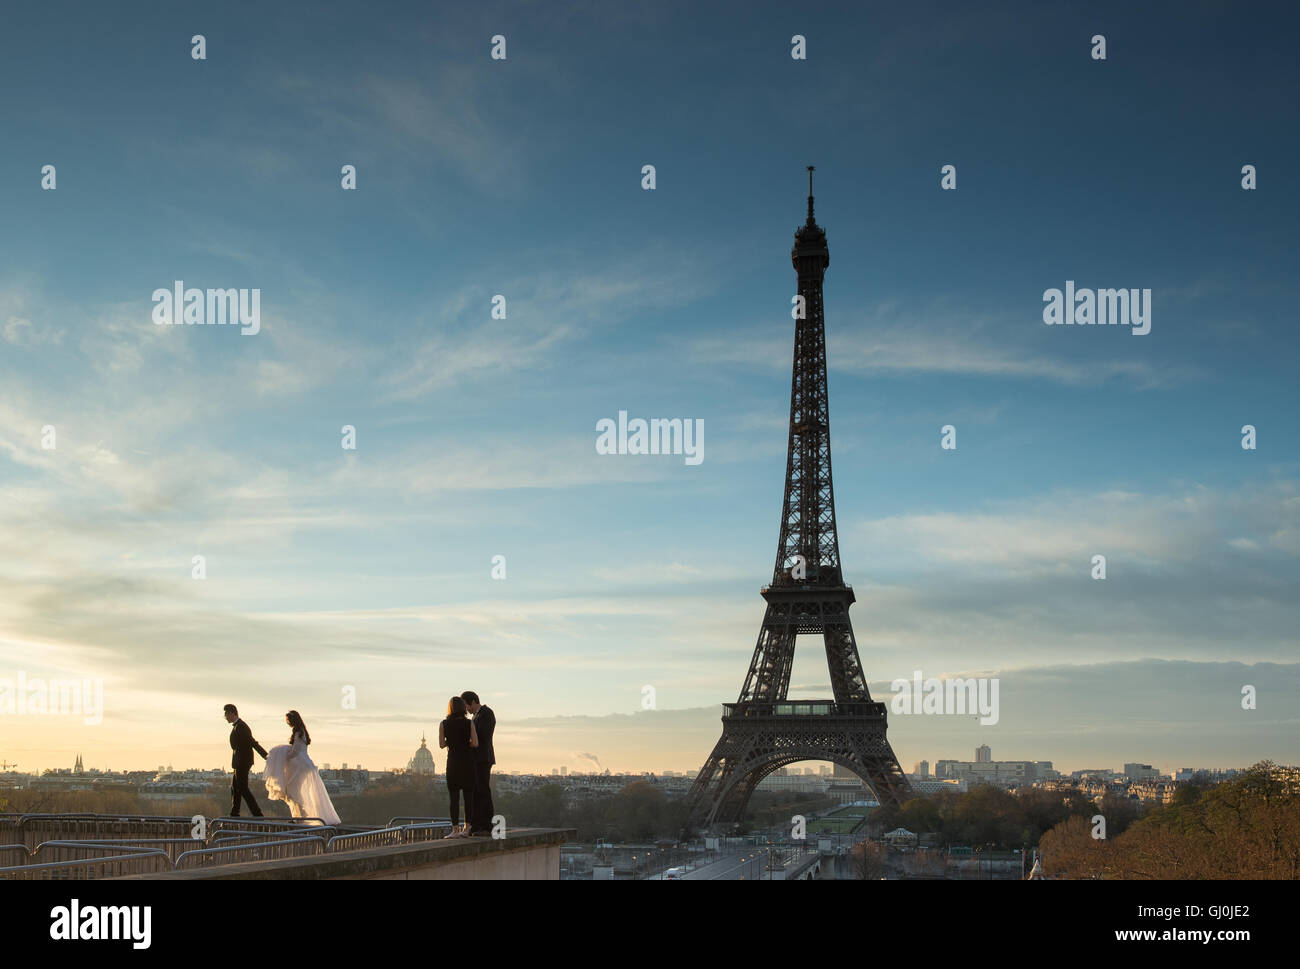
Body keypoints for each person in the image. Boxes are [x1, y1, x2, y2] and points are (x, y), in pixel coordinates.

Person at [262, 710, 341, 825]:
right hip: (302, 764)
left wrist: (283, 758)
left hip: (300, 766)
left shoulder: (298, 732)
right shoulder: (301, 731)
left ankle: (300, 818)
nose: (287, 722)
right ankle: (299, 817)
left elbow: (295, 751)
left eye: (288, 720)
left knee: (293, 791)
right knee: (294, 791)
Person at [438, 696, 478, 837]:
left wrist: (451, 741)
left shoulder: (443, 724)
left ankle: (455, 829)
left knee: (454, 798)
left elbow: (442, 744)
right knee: (468, 798)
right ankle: (467, 829)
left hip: (453, 763)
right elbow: (475, 743)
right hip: (468, 763)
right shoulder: (469, 723)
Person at [461, 691, 496, 836]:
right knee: (476, 792)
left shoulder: (486, 714)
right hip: (477, 759)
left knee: (482, 791)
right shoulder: (477, 716)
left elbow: (482, 736)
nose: (466, 710)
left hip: (482, 758)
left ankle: (486, 826)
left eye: (466, 706)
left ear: (473, 702)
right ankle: (477, 826)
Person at [223, 704, 267, 817]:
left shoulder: (241, 727)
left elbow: (252, 742)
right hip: (240, 762)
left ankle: (257, 814)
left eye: (226, 714)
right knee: (235, 788)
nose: (225, 717)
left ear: (232, 713)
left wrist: (265, 755)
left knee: (242, 788)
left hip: (242, 762)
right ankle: (235, 813)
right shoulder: (239, 726)